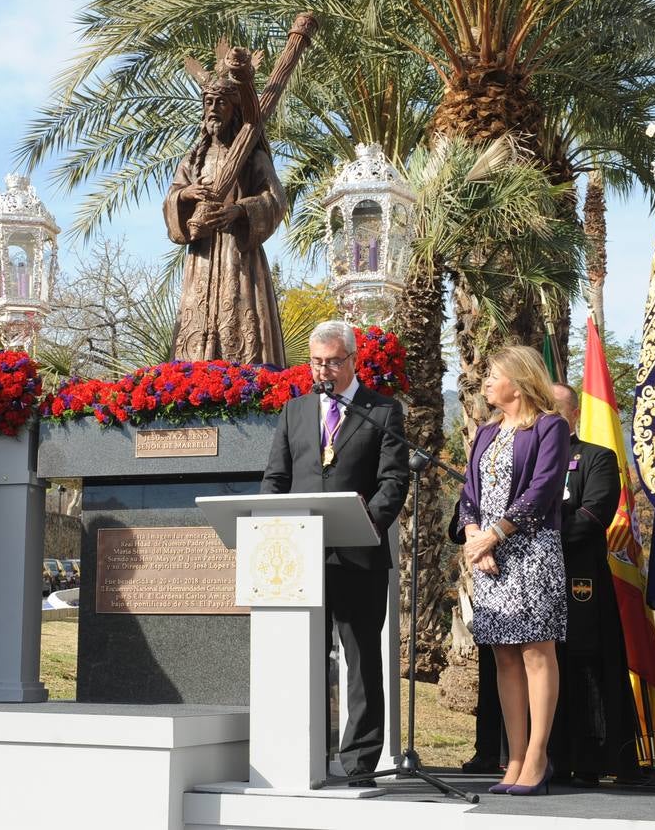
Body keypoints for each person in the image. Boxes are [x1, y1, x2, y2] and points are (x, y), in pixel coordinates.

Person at [260, 320, 409, 785]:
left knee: (361, 658)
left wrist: (369, 523)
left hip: (358, 555)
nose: (323, 370)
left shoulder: (381, 412)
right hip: (298, 558)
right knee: (300, 655)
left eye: (332, 362)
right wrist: (269, 527)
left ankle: (361, 761)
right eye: (316, 362)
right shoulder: (295, 411)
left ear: (352, 360)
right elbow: (276, 478)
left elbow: (393, 482)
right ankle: (301, 751)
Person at [458, 346, 569, 796]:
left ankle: (539, 756)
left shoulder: (550, 427)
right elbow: (469, 491)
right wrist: (473, 536)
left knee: (535, 653)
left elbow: (543, 489)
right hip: (488, 556)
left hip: (531, 552)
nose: (485, 382)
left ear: (519, 382)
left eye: (493, 375)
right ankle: (516, 756)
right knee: (504, 655)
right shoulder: (486, 432)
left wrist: (495, 534)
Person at [163, 51, 286, 366]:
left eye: (221, 103)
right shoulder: (194, 159)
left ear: (235, 109)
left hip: (238, 252)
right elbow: (172, 198)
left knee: (239, 324)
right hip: (202, 254)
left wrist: (241, 210)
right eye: (208, 103)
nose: (213, 110)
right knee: (196, 318)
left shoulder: (252, 157)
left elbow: (275, 199)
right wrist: (186, 195)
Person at [547, 383, 640, 787]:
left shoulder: (596, 457)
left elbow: (593, 513)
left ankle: (591, 757)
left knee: (584, 665)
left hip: (579, 581)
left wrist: (538, 538)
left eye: (553, 408)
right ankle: (543, 755)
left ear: (573, 414)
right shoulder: (526, 457)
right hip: (532, 582)